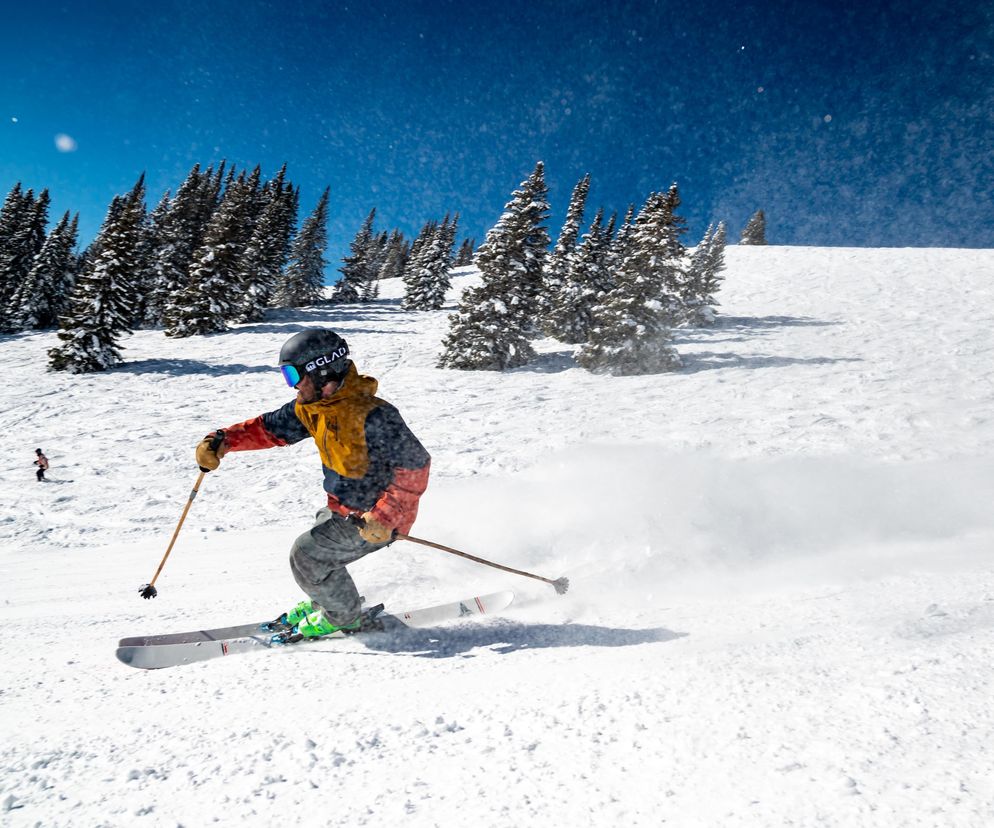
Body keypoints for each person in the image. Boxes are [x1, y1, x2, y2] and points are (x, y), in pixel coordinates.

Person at [195, 329, 430, 638]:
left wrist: (385, 517)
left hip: (377, 518)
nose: (292, 385)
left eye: (293, 374)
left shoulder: (373, 416)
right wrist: (223, 441)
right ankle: (329, 600)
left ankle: (344, 616)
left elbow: (416, 465)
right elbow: (269, 429)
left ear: (321, 372)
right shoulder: (314, 408)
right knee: (319, 551)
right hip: (343, 508)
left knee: (307, 556)